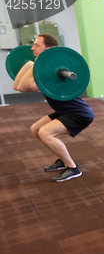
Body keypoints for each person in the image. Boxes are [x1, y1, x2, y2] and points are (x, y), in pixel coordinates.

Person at [12, 34, 94, 182]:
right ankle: (61, 160)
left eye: (37, 45)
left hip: (80, 113)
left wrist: (35, 65)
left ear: (48, 48)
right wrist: (31, 64)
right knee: (36, 129)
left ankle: (72, 168)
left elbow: (24, 87)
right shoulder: (46, 72)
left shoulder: (51, 75)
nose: (32, 48)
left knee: (45, 133)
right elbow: (17, 86)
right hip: (66, 111)